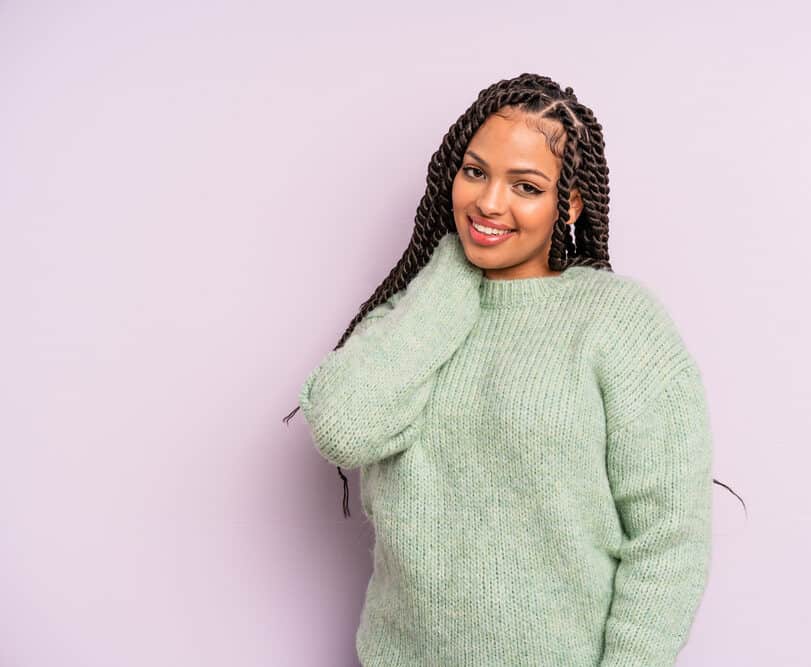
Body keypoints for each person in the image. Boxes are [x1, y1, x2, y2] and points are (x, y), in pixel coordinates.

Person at [288, 73, 739, 666]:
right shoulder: (411, 317)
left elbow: (668, 538)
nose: (489, 202)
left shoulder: (617, 322)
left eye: (525, 185)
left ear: (569, 203)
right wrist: (455, 270)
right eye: (475, 172)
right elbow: (345, 429)